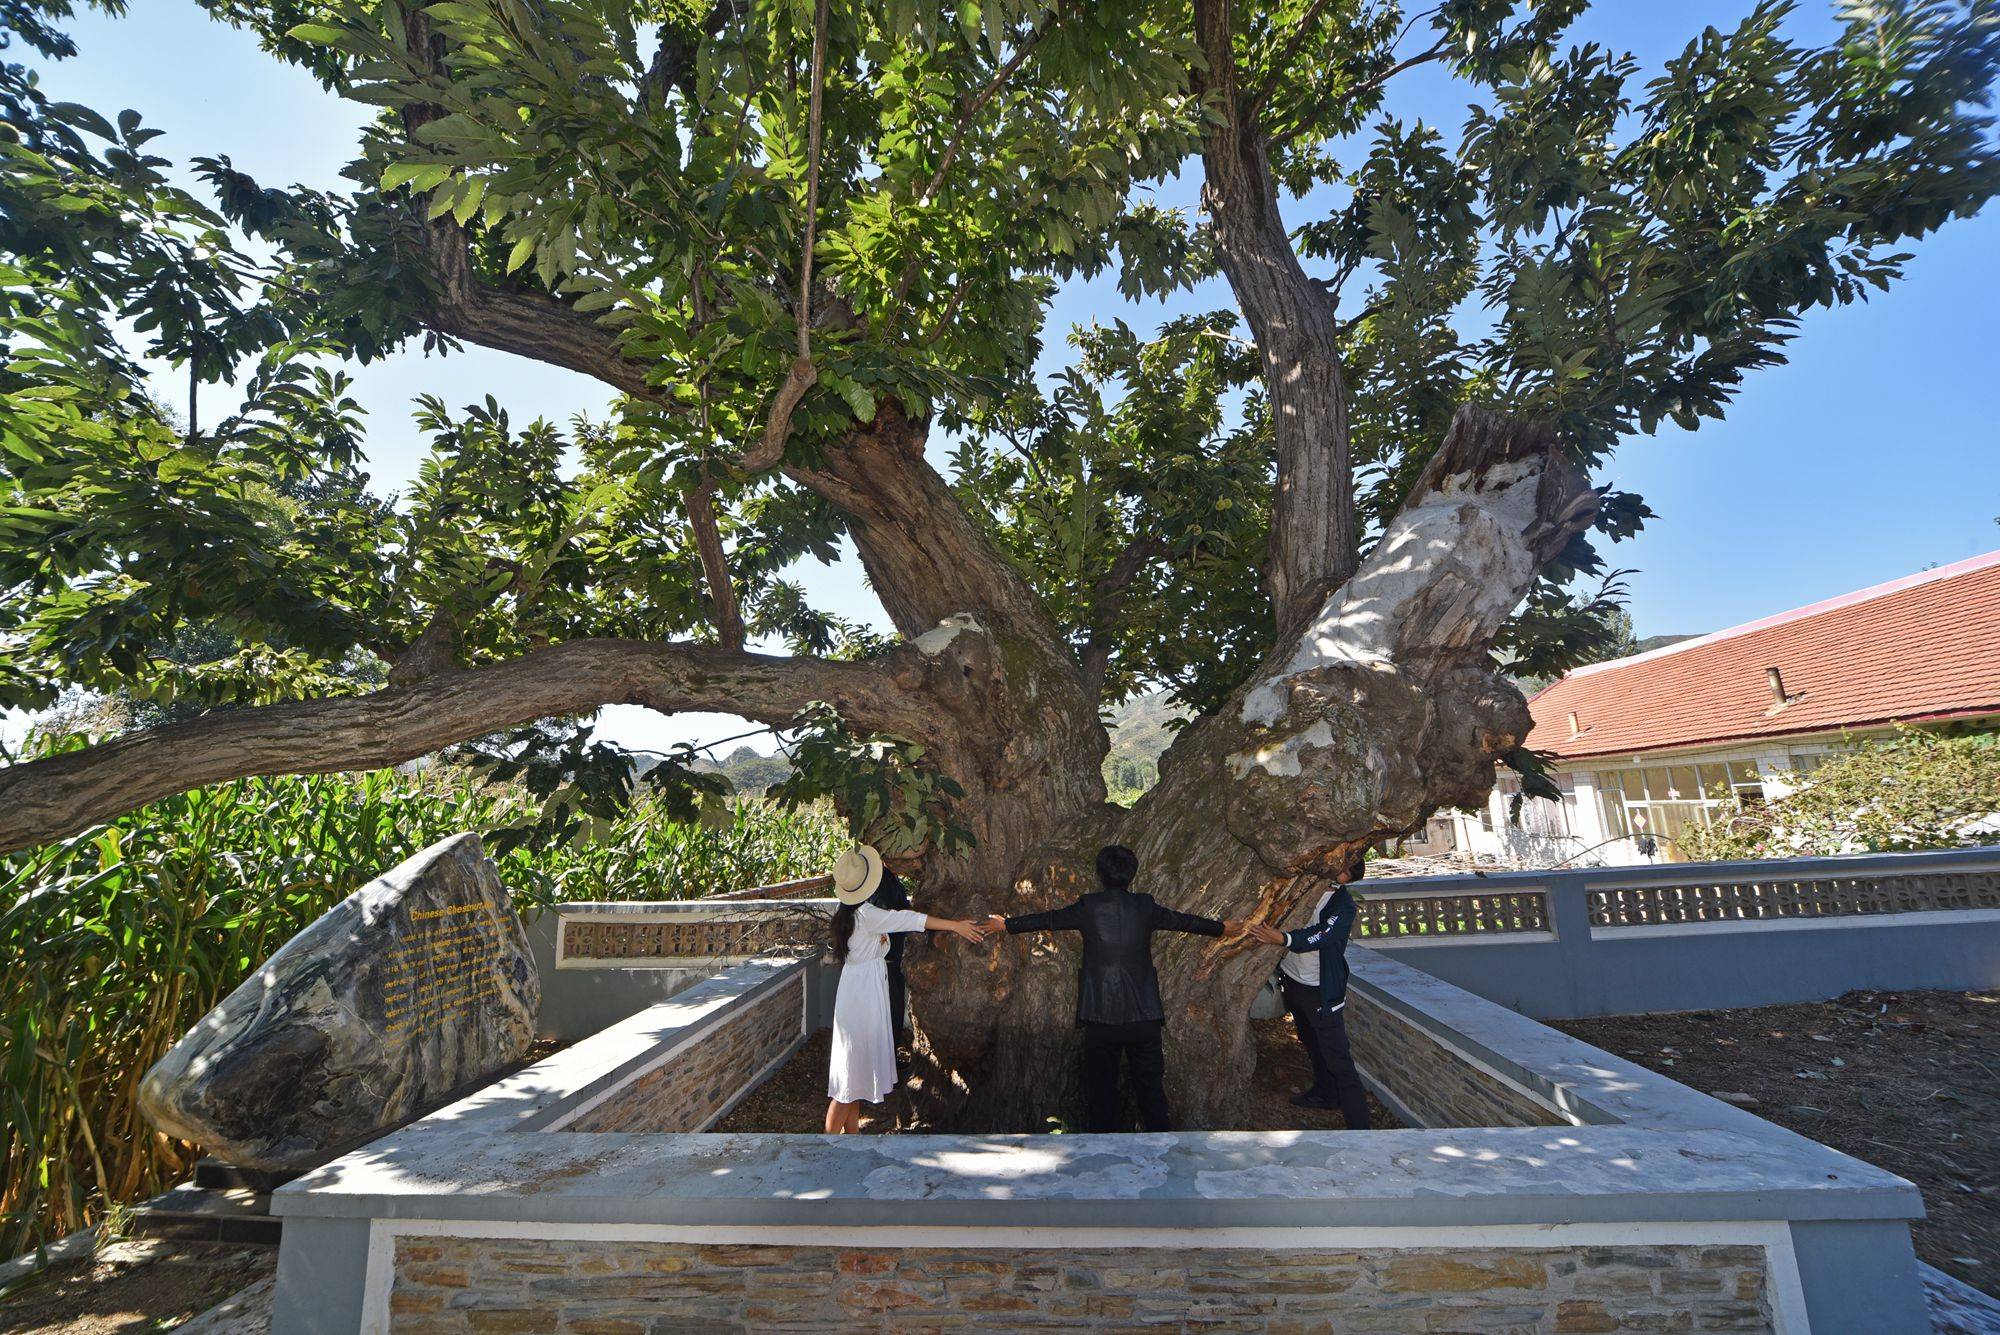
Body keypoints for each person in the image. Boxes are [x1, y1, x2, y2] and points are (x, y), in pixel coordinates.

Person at [986, 845, 1245, 1133]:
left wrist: (1006, 925)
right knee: (1151, 1094)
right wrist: (1221, 928)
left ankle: (1103, 1160)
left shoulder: (1088, 907)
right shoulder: (1145, 906)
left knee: (1101, 1095)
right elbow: (1183, 921)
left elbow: (1048, 919)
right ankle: (1165, 1154)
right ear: (1132, 875)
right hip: (1144, 1014)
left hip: (1100, 1015)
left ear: (1099, 874)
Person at [824, 844, 986, 1134]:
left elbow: (866, 944)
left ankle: (851, 1140)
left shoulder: (847, 914)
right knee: (847, 1084)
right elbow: (911, 919)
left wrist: (880, 942)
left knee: (853, 1073)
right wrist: (955, 926)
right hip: (863, 994)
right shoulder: (868, 914)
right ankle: (827, 1145)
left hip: (854, 989)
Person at [1248, 857, 1370, 1128]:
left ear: (1348, 878)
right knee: (1311, 1042)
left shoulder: (1343, 905)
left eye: (1344, 870)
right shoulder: (1305, 887)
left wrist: (1283, 939)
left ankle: (1361, 1127)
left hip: (1319, 990)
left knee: (1339, 1058)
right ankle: (1325, 1095)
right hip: (1294, 981)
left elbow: (1323, 934)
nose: (1337, 870)